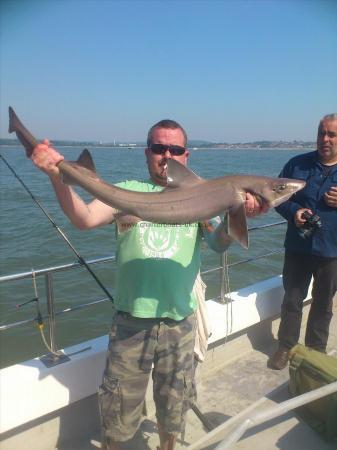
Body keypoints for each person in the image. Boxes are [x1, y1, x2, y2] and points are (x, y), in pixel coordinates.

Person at [31, 119, 266, 450]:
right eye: (158, 148)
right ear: (146, 153)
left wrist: (237, 215)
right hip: (130, 324)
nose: (166, 155)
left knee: (174, 409)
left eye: (175, 149)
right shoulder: (127, 192)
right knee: (118, 415)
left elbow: (217, 244)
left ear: (187, 155)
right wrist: (58, 176)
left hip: (179, 322)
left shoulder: (204, 197)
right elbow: (83, 219)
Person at [270, 114, 337, 370]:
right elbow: (275, 197)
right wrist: (294, 212)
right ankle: (285, 347)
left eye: (332, 134)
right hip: (298, 246)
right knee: (292, 300)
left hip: (332, 250)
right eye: (322, 133)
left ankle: (314, 352)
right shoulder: (296, 164)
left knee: (323, 304)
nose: (325, 139)